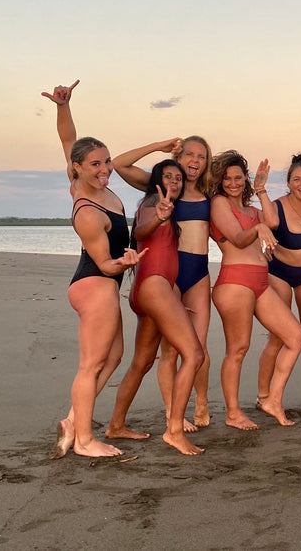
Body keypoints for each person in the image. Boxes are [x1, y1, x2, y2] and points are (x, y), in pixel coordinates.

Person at [43, 80, 142, 459]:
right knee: (91, 365)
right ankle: (84, 440)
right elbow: (104, 263)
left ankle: (72, 421)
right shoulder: (86, 207)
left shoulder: (89, 182)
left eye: (106, 162)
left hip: (102, 285)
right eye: (95, 165)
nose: (105, 170)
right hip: (95, 283)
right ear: (78, 169)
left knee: (113, 356)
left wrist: (62, 107)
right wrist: (128, 260)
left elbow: (69, 140)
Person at [114, 135, 216, 428]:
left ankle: (201, 401)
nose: (195, 161)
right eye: (189, 155)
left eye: (202, 156)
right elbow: (121, 164)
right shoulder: (163, 186)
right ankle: (175, 413)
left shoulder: (208, 193)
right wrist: (158, 146)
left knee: (199, 346)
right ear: (178, 157)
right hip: (167, 277)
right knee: (170, 350)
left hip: (197, 272)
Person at [104, 160, 205, 455]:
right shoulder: (152, 204)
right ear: (156, 181)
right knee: (194, 354)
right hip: (154, 287)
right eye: (167, 176)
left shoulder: (168, 208)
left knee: (143, 362)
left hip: (154, 290)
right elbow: (140, 233)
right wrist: (160, 218)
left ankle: (116, 425)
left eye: (178, 177)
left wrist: (172, 302)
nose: (173, 181)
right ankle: (174, 431)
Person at [210, 151, 301, 429]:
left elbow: (274, 222)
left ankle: (272, 400)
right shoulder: (219, 203)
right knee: (238, 349)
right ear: (220, 181)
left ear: (246, 179)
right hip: (234, 282)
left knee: (296, 336)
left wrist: (262, 190)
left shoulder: (252, 211)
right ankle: (232, 413)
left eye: (238, 177)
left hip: (260, 283)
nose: (233, 183)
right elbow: (240, 239)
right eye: (227, 178)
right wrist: (260, 228)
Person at [253, 155, 301, 415]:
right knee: (278, 336)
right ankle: (263, 396)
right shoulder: (277, 206)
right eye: (297, 179)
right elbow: (270, 223)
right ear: (288, 183)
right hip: (280, 272)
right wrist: (261, 190)